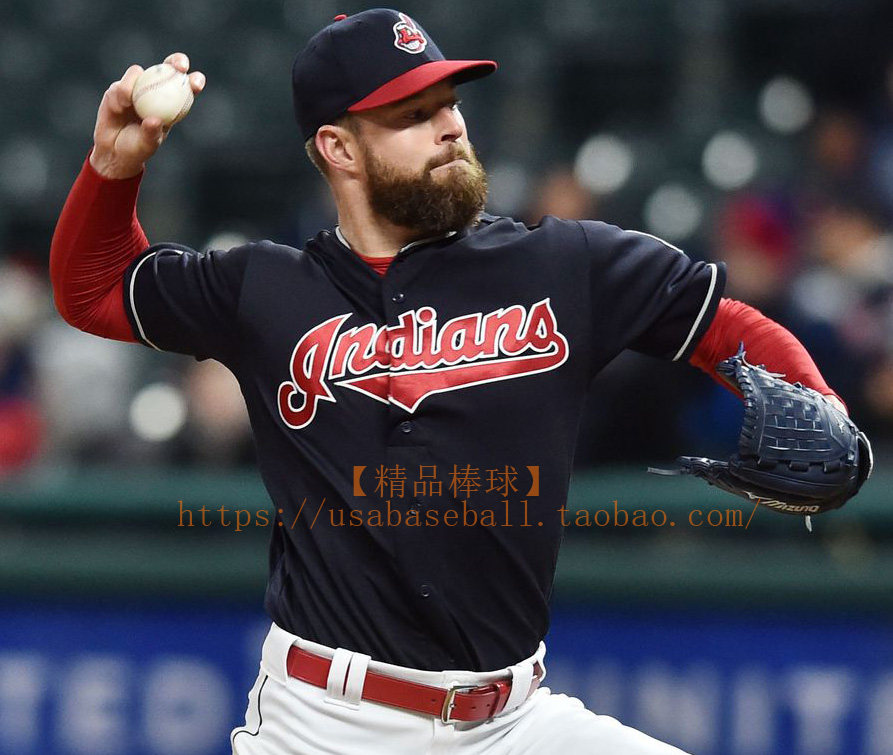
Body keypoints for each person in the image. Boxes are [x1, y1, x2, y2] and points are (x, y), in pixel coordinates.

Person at [50, 9, 853, 754]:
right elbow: (93, 290)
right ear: (338, 148)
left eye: (448, 104)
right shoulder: (262, 289)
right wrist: (114, 169)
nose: (449, 127)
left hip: (513, 721)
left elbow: (724, 325)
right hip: (325, 723)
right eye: (412, 114)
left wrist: (816, 400)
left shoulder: (561, 266)